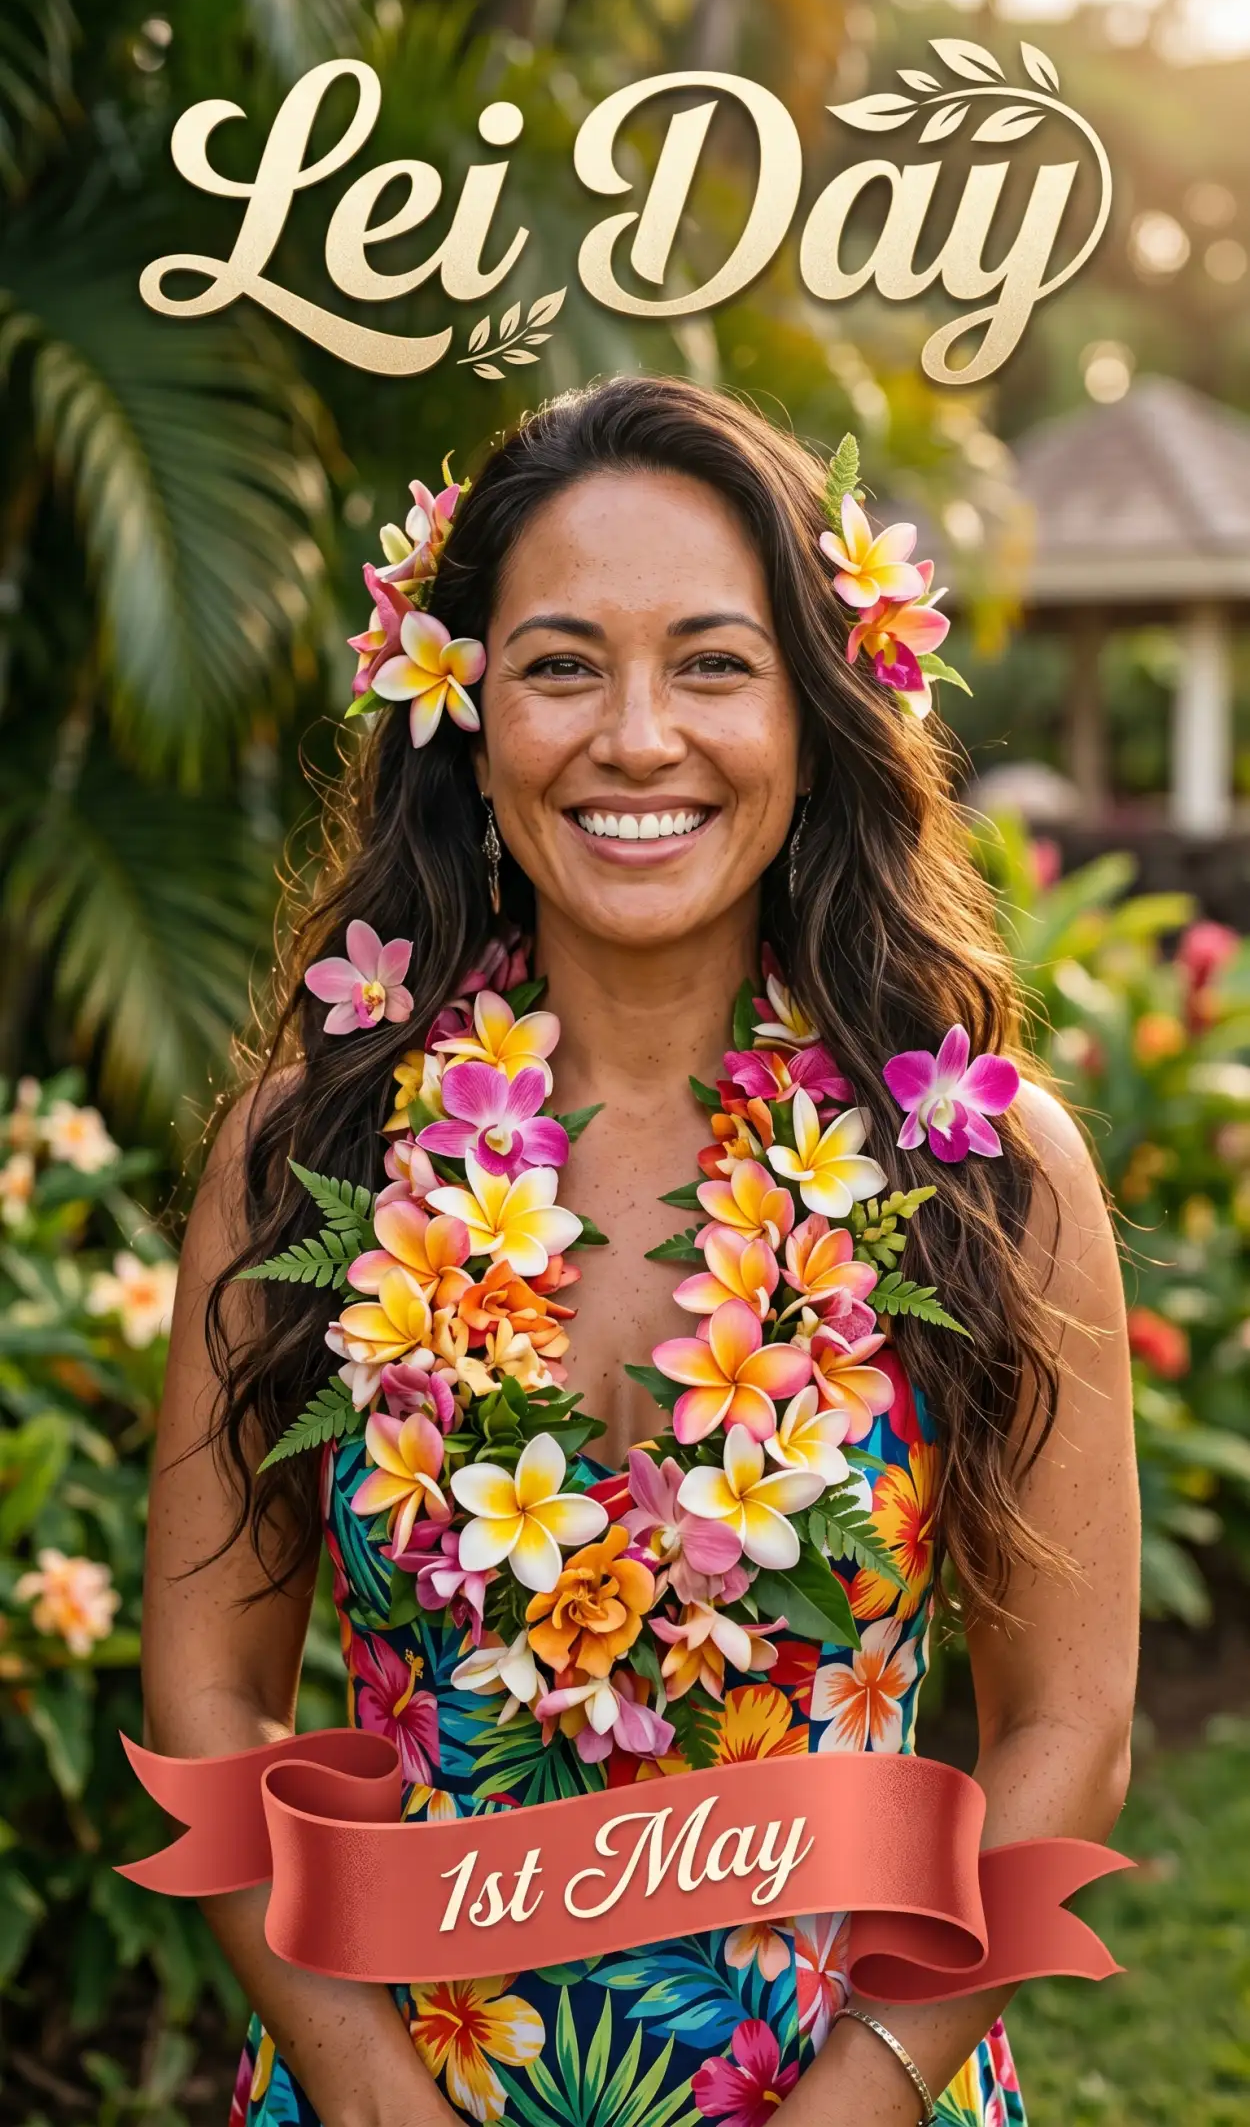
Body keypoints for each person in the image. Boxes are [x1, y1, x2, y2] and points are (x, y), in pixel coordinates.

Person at [143, 375, 1138, 2127]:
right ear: (460, 709)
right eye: (556, 665)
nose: (635, 736)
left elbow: (1070, 1734)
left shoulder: (981, 1172)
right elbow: (212, 1688)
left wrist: (852, 2103)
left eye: (710, 662)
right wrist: (372, 2094)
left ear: (817, 707)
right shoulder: (309, 1153)